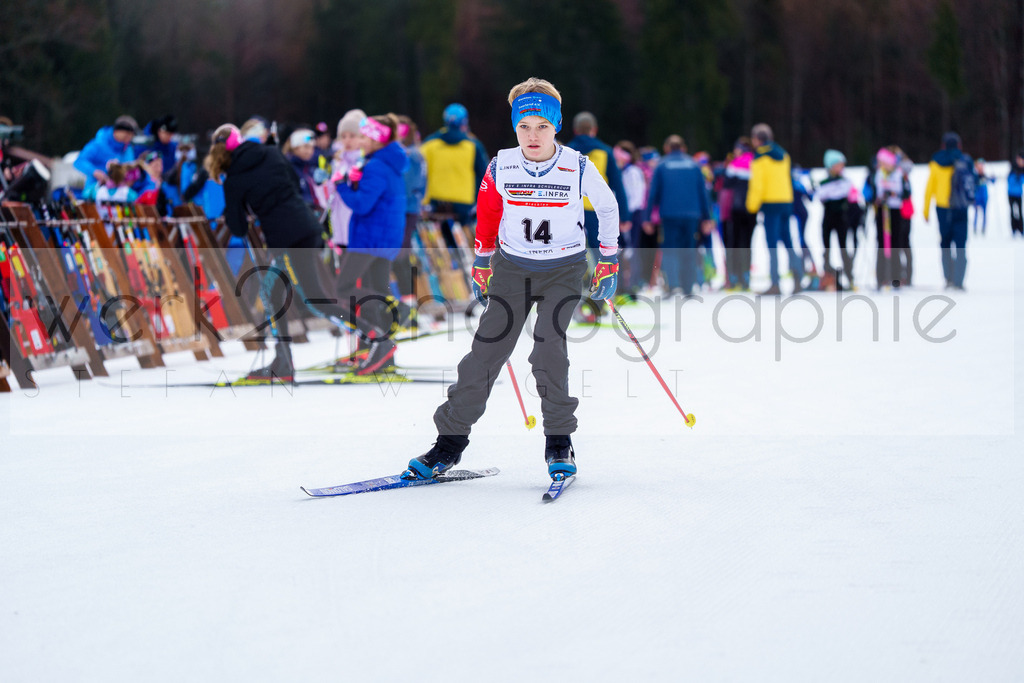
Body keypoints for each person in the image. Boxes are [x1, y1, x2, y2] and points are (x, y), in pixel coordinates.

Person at [402, 77, 621, 482]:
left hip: (563, 268)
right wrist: (483, 262)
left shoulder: (578, 165)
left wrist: (608, 258)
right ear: (514, 127)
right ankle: (447, 445)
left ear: (555, 125)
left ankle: (559, 441)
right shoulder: (501, 163)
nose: (532, 136)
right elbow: (487, 214)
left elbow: (607, 208)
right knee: (485, 355)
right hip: (512, 267)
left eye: (541, 126)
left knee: (548, 351)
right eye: (524, 127)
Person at [205, 122, 396, 378]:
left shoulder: (233, 178)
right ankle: (286, 359)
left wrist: (249, 205)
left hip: (286, 238)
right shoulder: (271, 153)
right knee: (284, 293)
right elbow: (295, 182)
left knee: (296, 296)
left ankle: (373, 338)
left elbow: (237, 227)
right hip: (305, 226)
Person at [332, 113, 408, 370]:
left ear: (375, 140)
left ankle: (399, 310)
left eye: (364, 136)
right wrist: (355, 183)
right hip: (384, 238)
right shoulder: (387, 163)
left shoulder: (376, 165)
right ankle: (384, 352)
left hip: (370, 239)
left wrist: (342, 186)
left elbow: (363, 205)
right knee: (377, 291)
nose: (360, 141)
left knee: (344, 288)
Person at [642, 135, 712, 296]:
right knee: (689, 249)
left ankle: (672, 285)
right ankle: (688, 288)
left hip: (669, 215)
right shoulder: (694, 166)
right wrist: (707, 218)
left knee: (670, 250)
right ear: (683, 148)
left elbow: (653, 194)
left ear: (667, 148)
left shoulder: (662, 165)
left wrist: (647, 218)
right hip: (691, 215)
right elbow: (703, 193)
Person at [746, 123, 803, 295]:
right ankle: (798, 277)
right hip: (786, 202)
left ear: (757, 139)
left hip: (770, 204)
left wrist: (751, 206)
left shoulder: (760, 159)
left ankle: (775, 284)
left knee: (772, 245)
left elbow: (758, 185)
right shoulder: (783, 155)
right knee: (788, 242)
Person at [419, 102, 489, 242]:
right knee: (464, 240)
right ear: (465, 121)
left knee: (438, 239)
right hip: (464, 203)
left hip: (435, 202)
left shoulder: (429, 144)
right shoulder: (473, 145)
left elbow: (420, 174)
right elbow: (484, 175)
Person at [923, 131, 974, 291]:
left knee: (945, 243)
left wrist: (925, 210)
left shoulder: (936, 162)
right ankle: (959, 280)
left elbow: (929, 187)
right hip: (961, 208)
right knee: (960, 244)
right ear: (958, 145)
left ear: (943, 145)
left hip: (942, 209)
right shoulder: (965, 160)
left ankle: (948, 278)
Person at [814, 149, 855, 290]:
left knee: (843, 248)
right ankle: (829, 278)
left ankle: (850, 277)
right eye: (838, 164)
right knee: (826, 249)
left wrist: (830, 192)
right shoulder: (825, 181)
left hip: (841, 219)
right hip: (828, 219)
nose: (841, 167)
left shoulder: (844, 180)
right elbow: (820, 196)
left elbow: (844, 192)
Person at [720, 138, 756, 291]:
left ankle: (733, 278)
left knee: (733, 244)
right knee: (747, 243)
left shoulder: (734, 164)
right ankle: (746, 277)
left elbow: (726, 184)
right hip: (751, 209)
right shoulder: (756, 162)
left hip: (735, 210)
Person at [74, 115, 139, 197]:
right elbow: (79, 161)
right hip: (95, 192)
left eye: (131, 135)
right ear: (117, 131)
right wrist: (95, 172)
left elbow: (130, 168)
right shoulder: (99, 144)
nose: (129, 137)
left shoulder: (128, 149)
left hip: (120, 194)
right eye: (127, 134)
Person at [873, 146, 911, 288]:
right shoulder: (877, 174)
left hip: (895, 211)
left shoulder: (898, 174)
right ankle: (880, 277)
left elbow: (905, 193)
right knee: (882, 244)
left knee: (896, 244)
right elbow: (873, 192)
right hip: (882, 212)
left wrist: (894, 194)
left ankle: (896, 277)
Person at [327, 109, 366, 248]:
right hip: (338, 219)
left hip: (355, 218)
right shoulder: (338, 161)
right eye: (343, 136)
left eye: (352, 136)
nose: (347, 140)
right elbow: (330, 191)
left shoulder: (364, 160)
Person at [613, 140, 646, 297]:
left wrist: (627, 217)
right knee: (620, 250)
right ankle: (620, 284)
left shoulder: (632, 171)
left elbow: (636, 196)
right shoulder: (622, 172)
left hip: (630, 216)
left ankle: (632, 284)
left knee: (630, 251)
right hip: (622, 216)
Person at [971, 158, 993, 235]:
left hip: (984, 197)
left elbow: (992, 181)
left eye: (982, 166)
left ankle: (983, 228)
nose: (981, 167)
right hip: (977, 197)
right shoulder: (975, 176)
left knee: (984, 213)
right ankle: (975, 228)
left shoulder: (984, 175)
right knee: (976, 213)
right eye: (979, 166)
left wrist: (993, 178)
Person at [1009, 150, 1024, 238]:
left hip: (1018, 194)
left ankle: (1021, 229)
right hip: (1011, 193)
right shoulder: (1013, 168)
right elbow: (1009, 180)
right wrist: (1016, 177)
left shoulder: (1022, 170)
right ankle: (1014, 229)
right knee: (1012, 212)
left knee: (1020, 212)